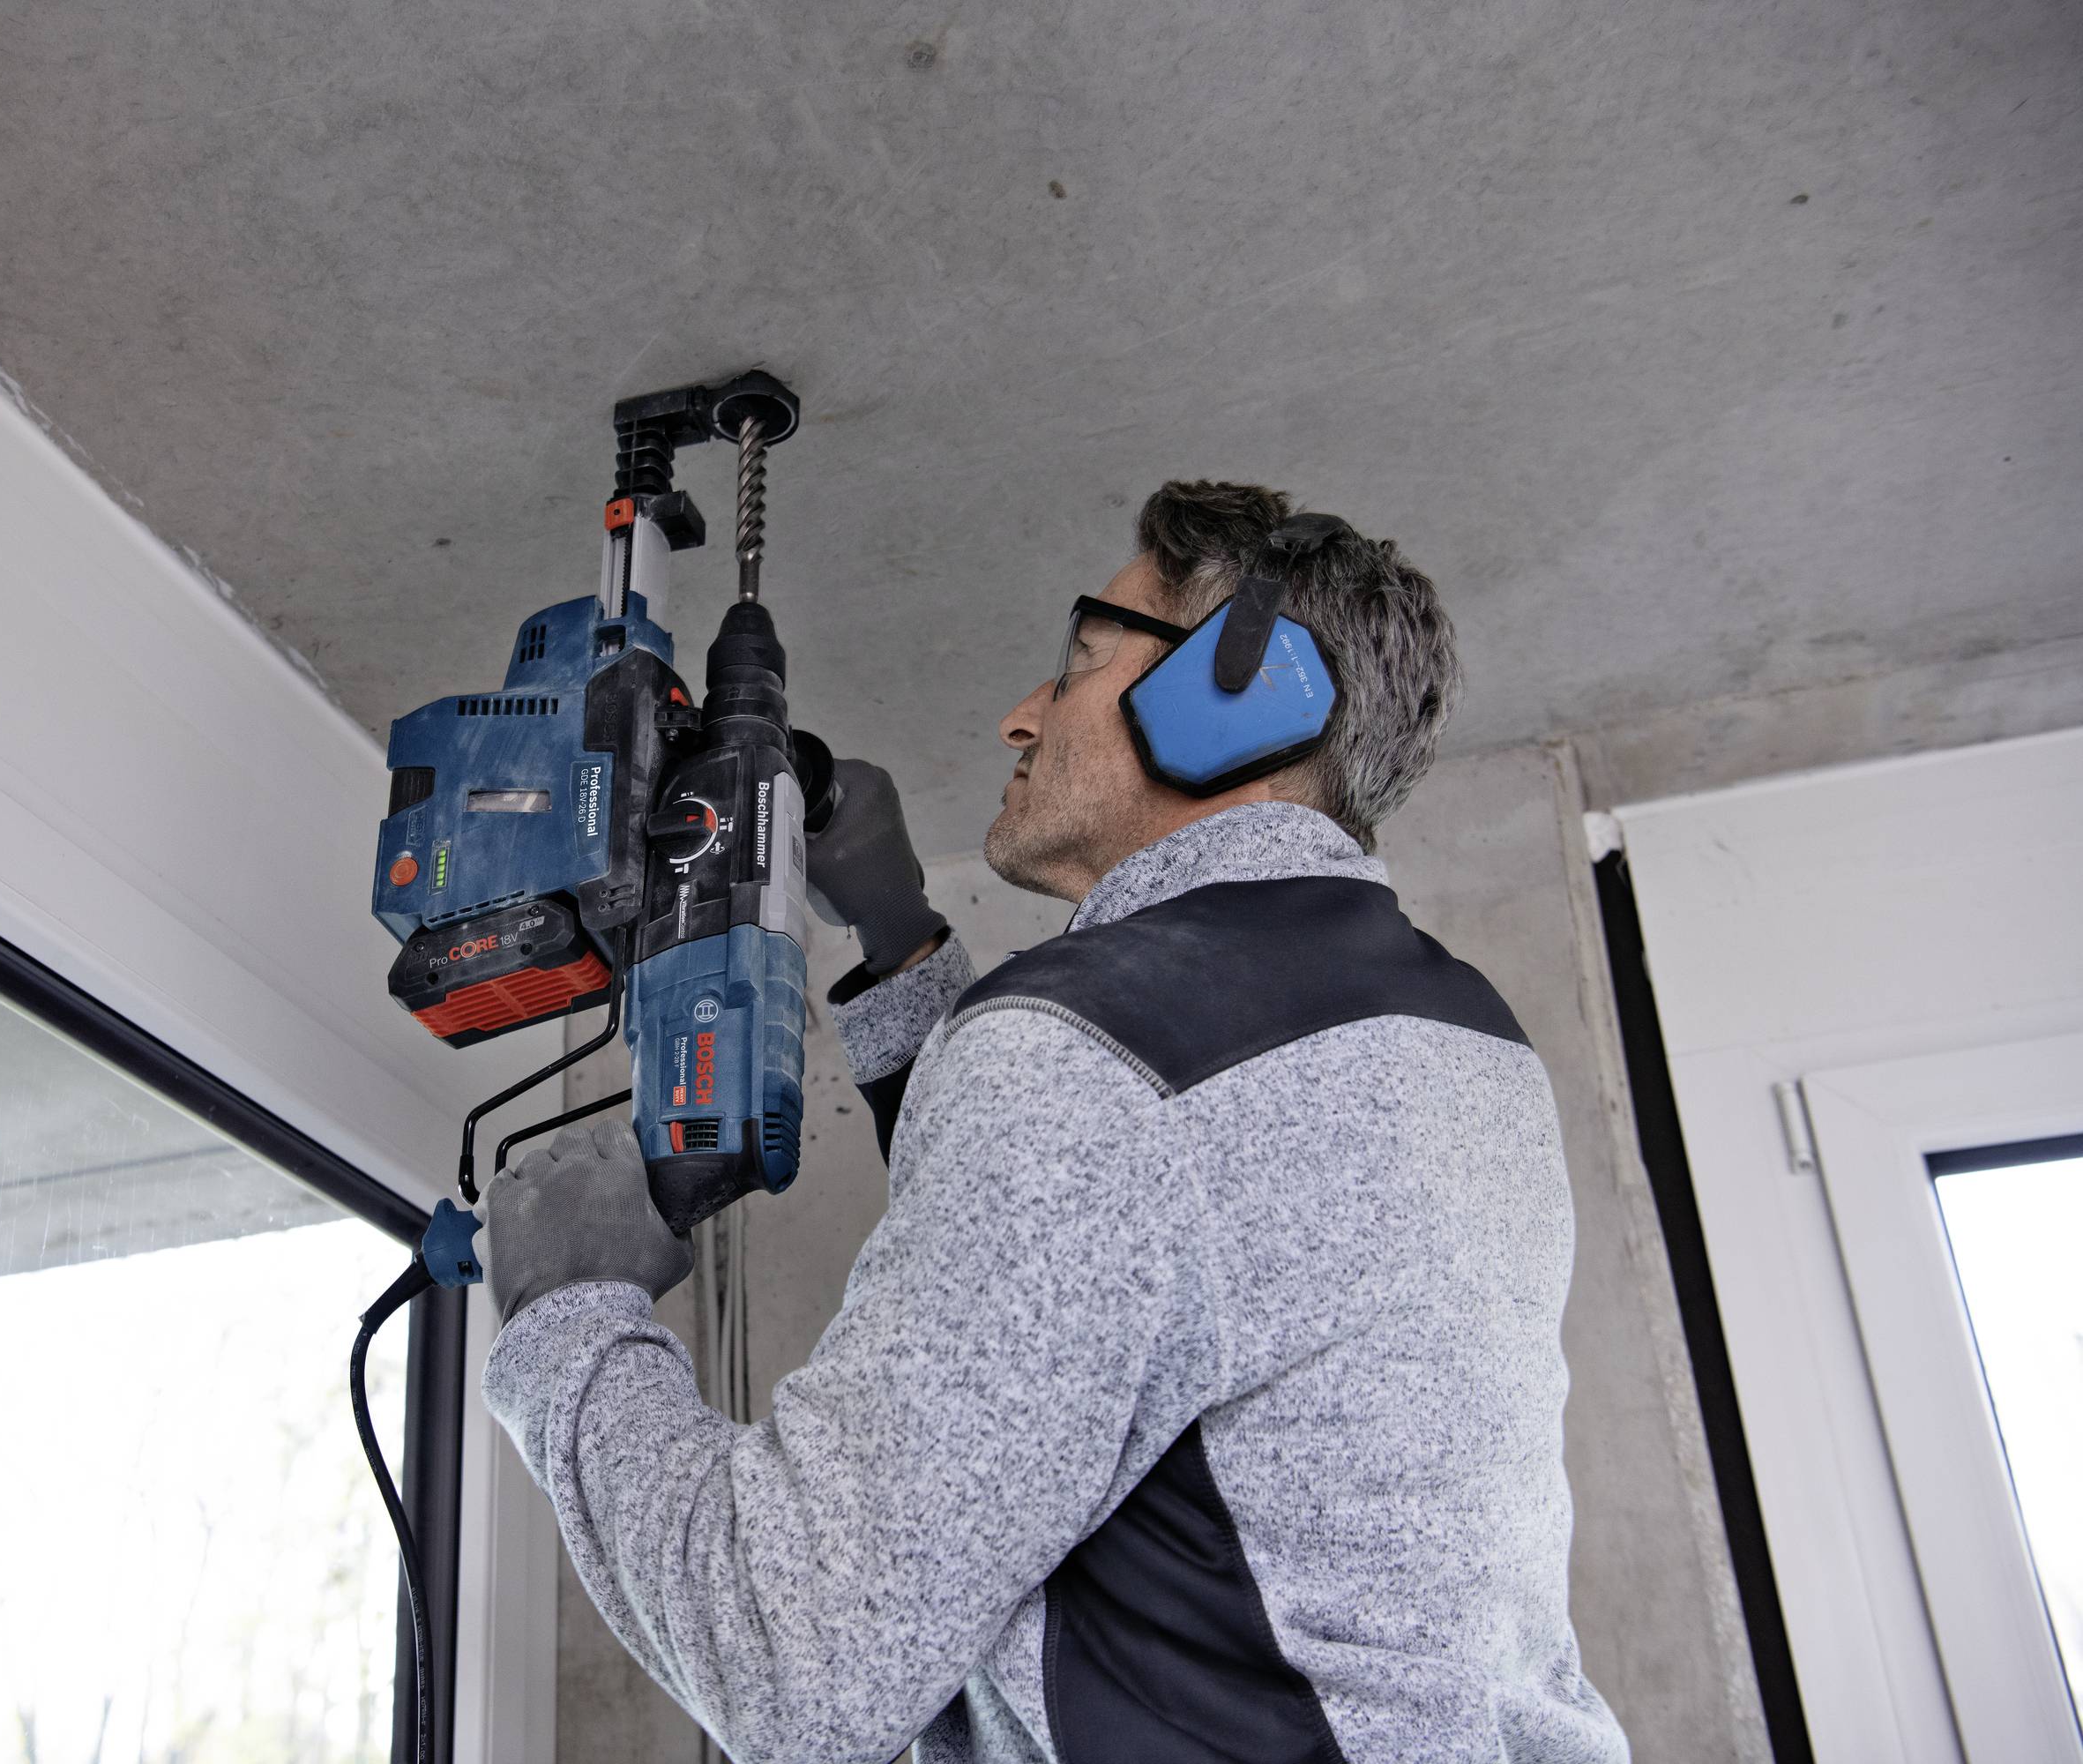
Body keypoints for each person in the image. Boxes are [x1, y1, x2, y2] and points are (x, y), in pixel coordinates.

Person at [476, 480, 1631, 1763]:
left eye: (1082, 660)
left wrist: (565, 1319)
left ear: (1239, 694)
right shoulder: (1462, 1034)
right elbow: (1115, 1278)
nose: (1022, 714)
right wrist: (902, 944)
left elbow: (795, 1657)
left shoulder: (1091, 1059)